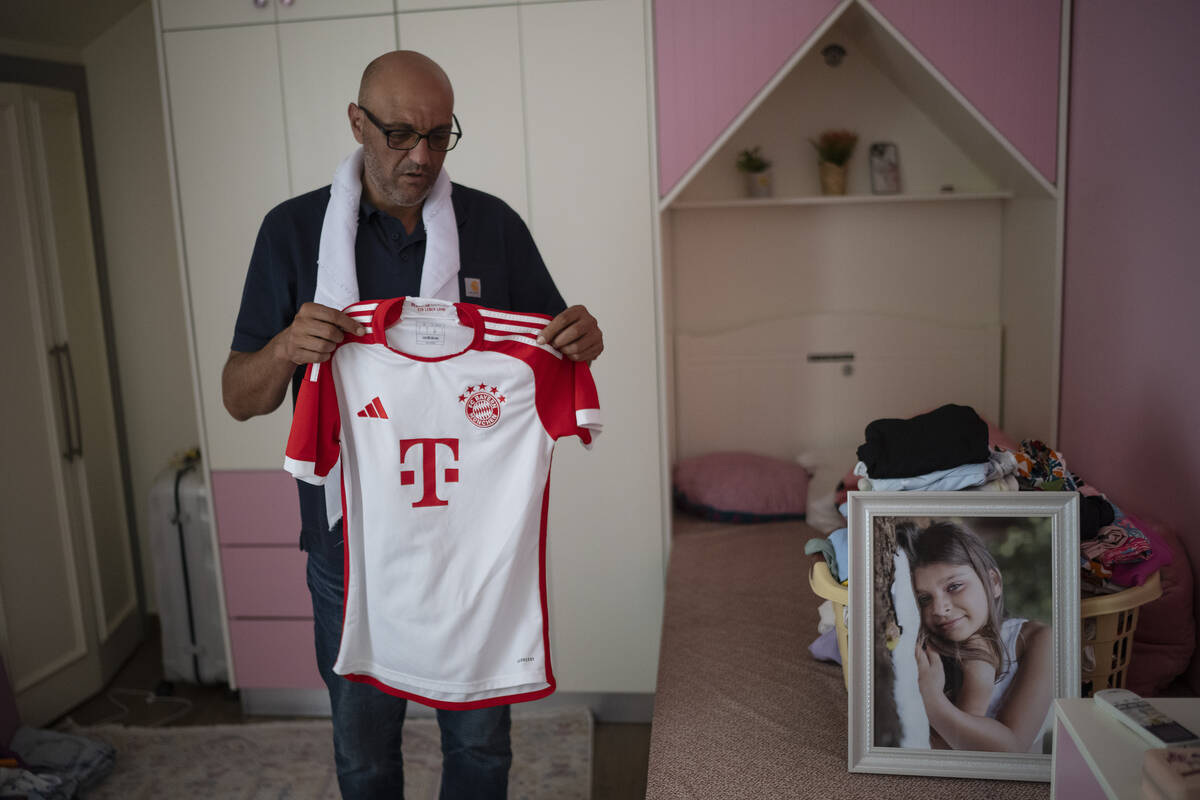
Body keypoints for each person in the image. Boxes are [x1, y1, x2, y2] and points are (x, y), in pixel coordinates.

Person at [221, 50, 603, 799]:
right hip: (347, 547)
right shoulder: (293, 233)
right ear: (357, 123)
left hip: (472, 550)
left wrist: (580, 340)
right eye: (400, 134)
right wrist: (284, 350)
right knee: (364, 755)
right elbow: (240, 396)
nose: (421, 156)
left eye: (439, 135)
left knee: (482, 746)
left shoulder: (493, 227)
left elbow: (549, 346)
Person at [899, 520, 1052, 753]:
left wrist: (933, 700)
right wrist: (976, 683)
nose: (939, 609)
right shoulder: (930, 651)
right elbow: (939, 748)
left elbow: (1012, 749)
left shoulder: (1038, 640)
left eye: (954, 587)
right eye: (924, 599)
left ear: (993, 582)